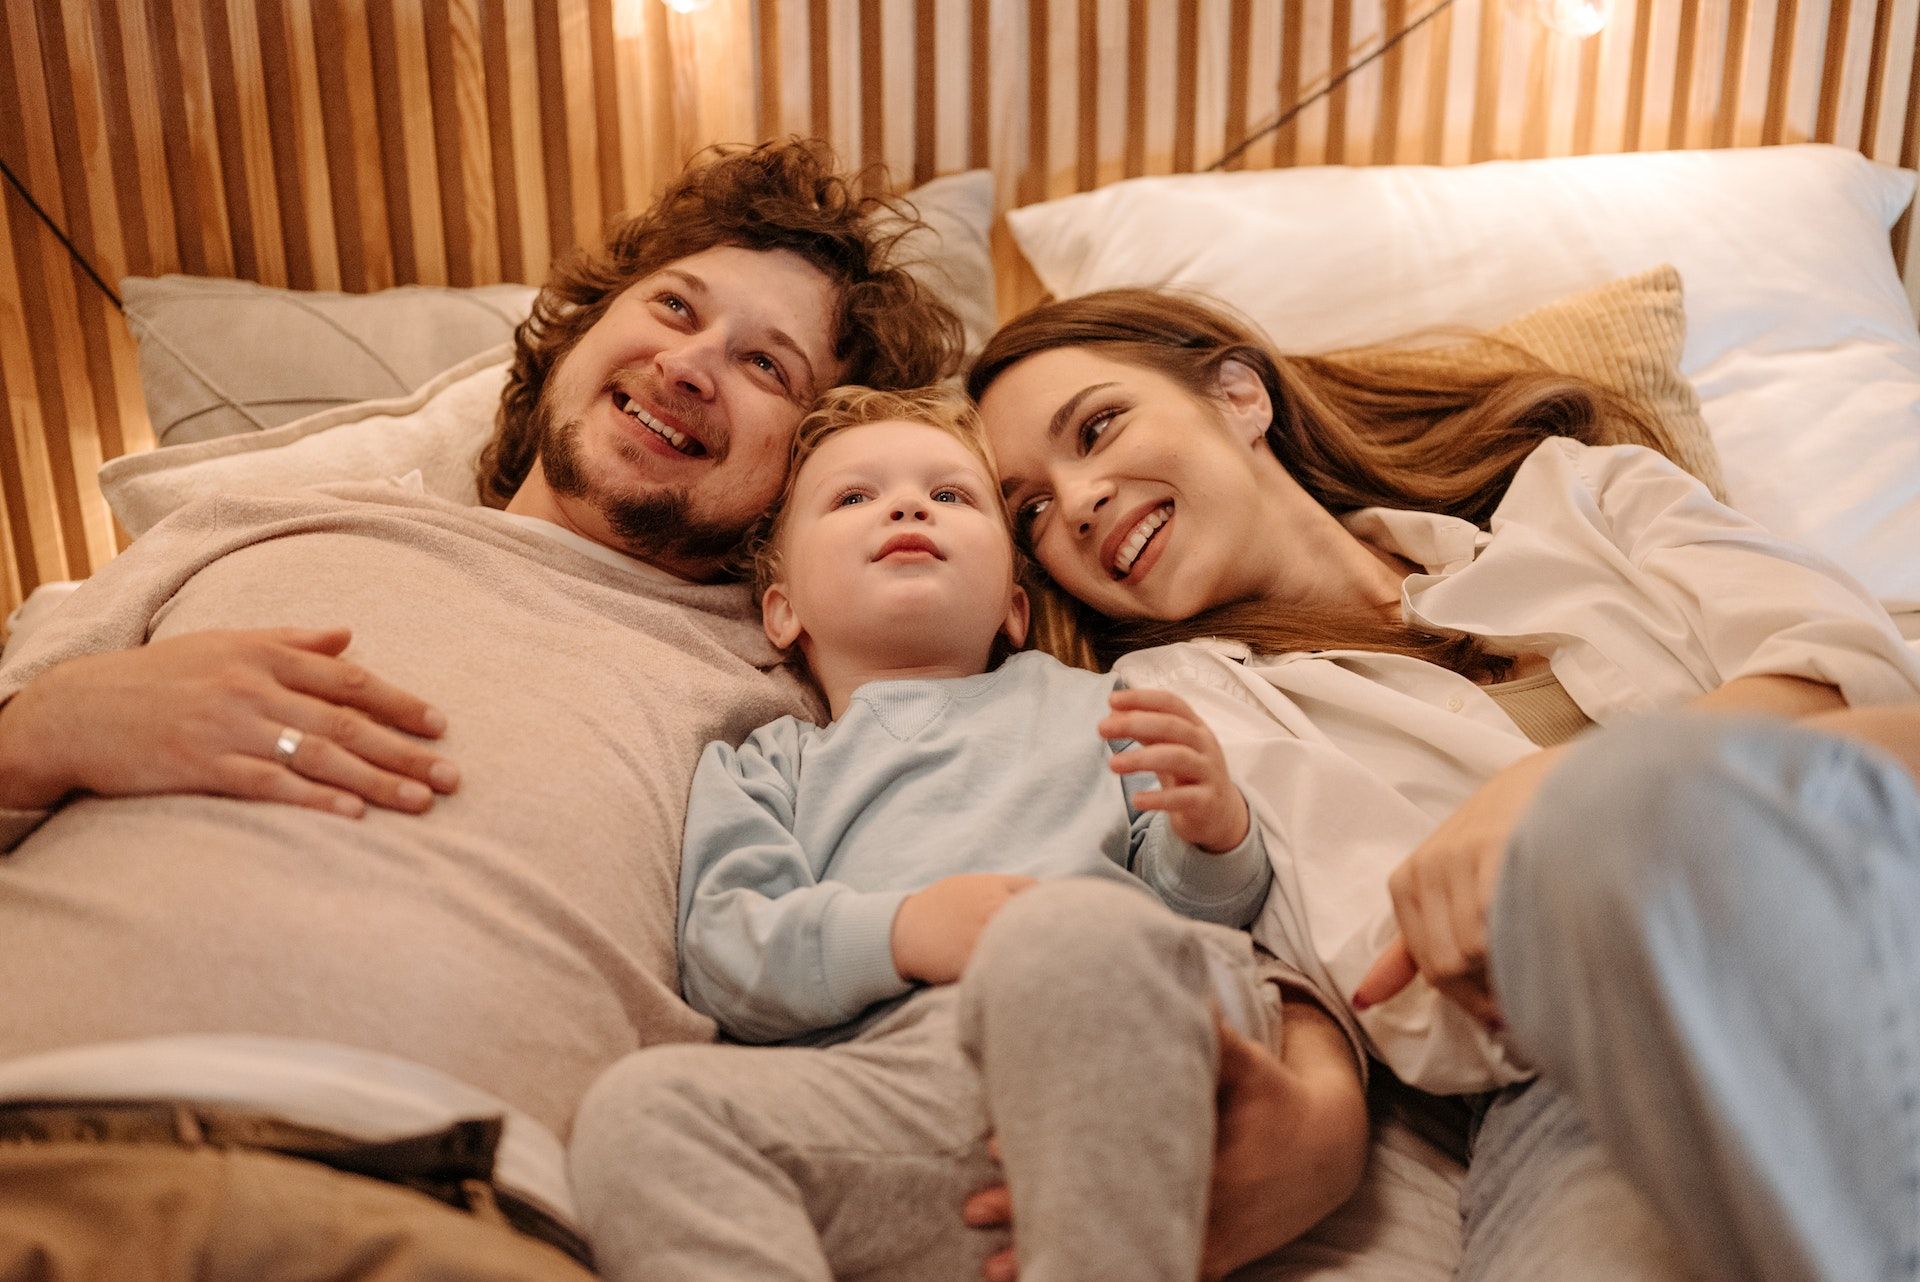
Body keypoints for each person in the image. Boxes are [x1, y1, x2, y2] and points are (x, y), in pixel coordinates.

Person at [0, 139, 965, 1278]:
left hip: (448, 1216)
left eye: (768, 366)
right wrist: (43, 736)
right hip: (36, 1141)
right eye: (674, 307)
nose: (693, 365)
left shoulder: (793, 685)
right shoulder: (252, 522)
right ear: (581, 329)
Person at [964, 287, 1920, 1282]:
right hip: (1580, 1084)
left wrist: (1560, 794)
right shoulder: (1183, 708)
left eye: (1099, 426)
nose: (1074, 504)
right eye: (1030, 509)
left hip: (1874, 915)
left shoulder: (1580, 495)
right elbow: (1412, 996)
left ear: (1241, 395)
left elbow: (1863, 668)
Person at [566, 384, 1370, 1282]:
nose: (908, 505)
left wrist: (1215, 833)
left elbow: (1204, 913)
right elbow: (725, 956)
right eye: (853, 498)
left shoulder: (1100, 704)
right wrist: (904, 932)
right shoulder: (765, 766)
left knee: (1069, 934)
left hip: (1122, 1054)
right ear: (781, 611)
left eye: (951, 496)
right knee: (639, 1111)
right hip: (897, 1098)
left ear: (1013, 609)